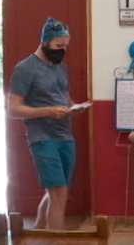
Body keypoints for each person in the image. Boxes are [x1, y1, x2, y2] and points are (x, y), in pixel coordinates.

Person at [8, 17, 88, 230]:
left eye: (66, 46)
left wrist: (75, 108)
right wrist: (48, 111)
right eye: (58, 46)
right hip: (42, 138)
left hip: (65, 135)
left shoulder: (61, 67)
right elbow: (14, 108)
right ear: (44, 42)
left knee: (55, 191)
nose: (62, 51)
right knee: (59, 192)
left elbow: (64, 98)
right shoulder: (25, 69)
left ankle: (37, 231)